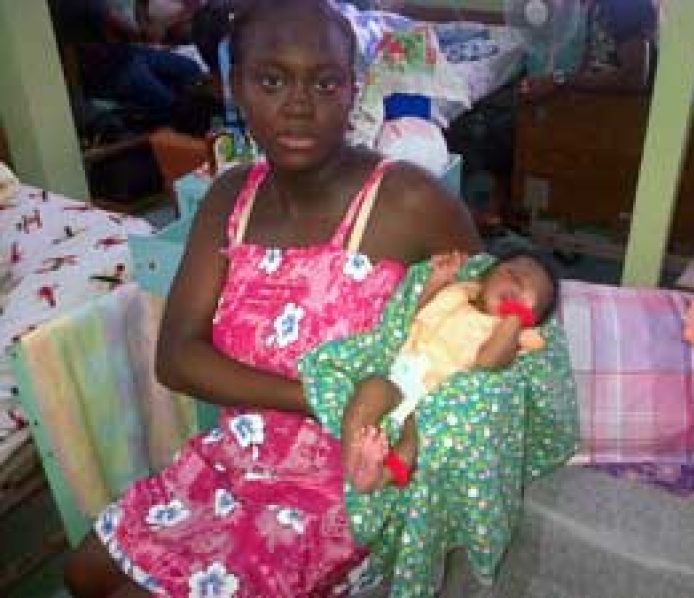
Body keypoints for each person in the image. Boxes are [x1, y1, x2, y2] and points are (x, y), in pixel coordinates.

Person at [62, 0, 481, 596]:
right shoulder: (231, 198)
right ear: (236, 87)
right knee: (83, 573)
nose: (299, 105)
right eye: (272, 80)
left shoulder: (409, 202)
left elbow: (488, 334)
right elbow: (177, 357)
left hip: (351, 483)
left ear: (352, 89)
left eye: (325, 82)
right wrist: (325, 396)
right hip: (240, 457)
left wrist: (393, 423)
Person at [339, 248, 559, 493]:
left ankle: (381, 476)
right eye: (511, 273)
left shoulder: (512, 337)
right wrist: (438, 281)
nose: (518, 283)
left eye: (529, 289)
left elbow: (489, 363)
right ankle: (355, 461)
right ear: (486, 277)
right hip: (399, 378)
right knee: (369, 390)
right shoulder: (459, 294)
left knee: (417, 435)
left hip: (437, 401)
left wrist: (514, 318)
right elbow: (416, 315)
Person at [49, 0, 207, 125]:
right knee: (177, 105)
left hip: (128, 54)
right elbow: (137, 32)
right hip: (112, 72)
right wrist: (161, 26)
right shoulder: (85, 3)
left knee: (190, 71)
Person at [519, 0, 659, 101]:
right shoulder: (591, 7)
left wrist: (559, 80)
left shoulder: (629, 5)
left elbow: (634, 78)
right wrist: (548, 84)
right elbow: (587, 68)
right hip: (587, 107)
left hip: (620, 116)